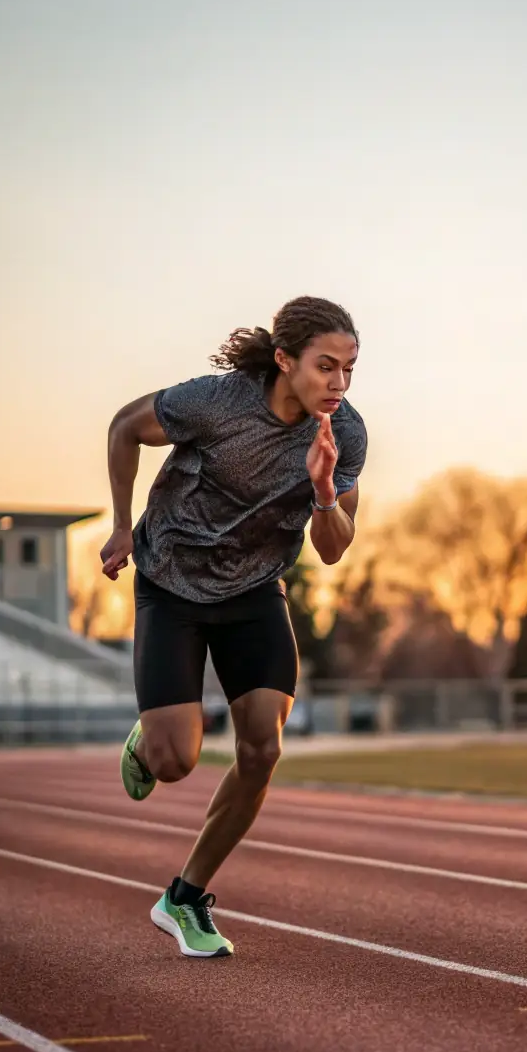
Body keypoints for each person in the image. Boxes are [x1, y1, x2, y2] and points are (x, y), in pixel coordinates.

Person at [100, 296, 366, 958]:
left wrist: (326, 491)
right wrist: (117, 524)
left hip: (254, 591)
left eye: (350, 369)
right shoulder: (216, 402)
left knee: (262, 749)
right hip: (172, 582)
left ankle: (184, 898)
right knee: (176, 759)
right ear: (284, 360)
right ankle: (150, 739)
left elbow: (334, 548)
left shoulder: (346, 434)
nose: (338, 383)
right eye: (325, 366)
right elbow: (124, 426)